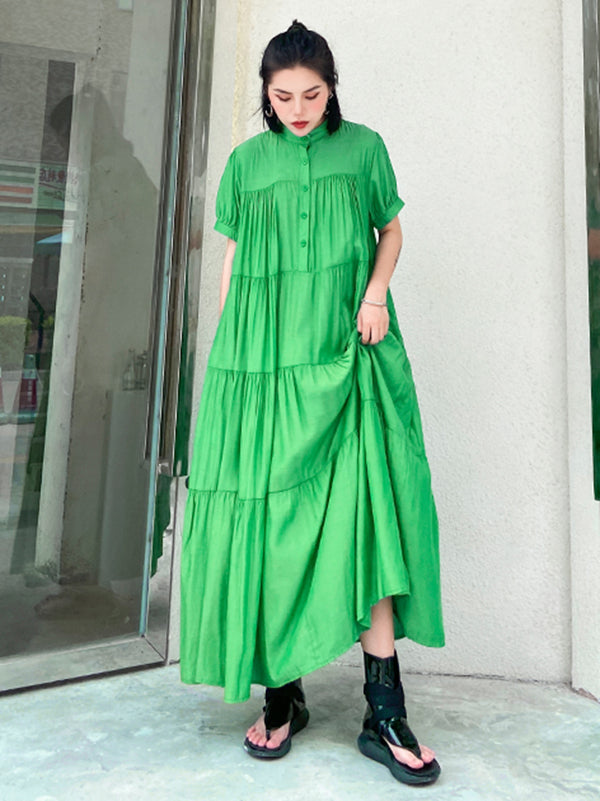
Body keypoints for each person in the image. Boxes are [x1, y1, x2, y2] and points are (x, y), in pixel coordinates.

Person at [180, 20, 445, 786]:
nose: (297, 109)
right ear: (266, 95)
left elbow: (390, 231)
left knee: (371, 523)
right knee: (272, 526)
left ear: (332, 90)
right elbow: (236, 261)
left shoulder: (363, 150)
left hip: (348, 356)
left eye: (312, 94)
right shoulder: (246, 164)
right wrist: (232, 366)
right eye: (283, 96)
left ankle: (384, 710)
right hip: (262, 368)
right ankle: (282, 695)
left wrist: (376, 293)